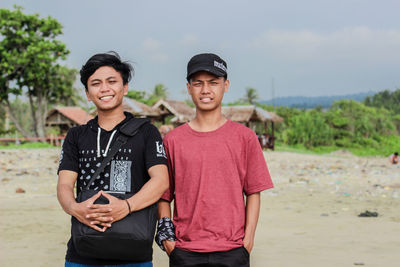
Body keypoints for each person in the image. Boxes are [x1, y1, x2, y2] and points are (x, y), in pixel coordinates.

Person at [156, 53, 274, 267]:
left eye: (213, 83)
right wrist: (169, 241)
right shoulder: (173, 140)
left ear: (225, 85)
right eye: (198, 83)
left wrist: (248, 241)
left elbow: (254, 192)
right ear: (189, 87)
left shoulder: (244, 137)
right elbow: (163, 196)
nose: (206, 90)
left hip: (233, 250)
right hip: (185, 251)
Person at [57, 52, 169, 267]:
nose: (105, 89)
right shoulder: (76, 135)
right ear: (88, 93)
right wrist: (73, 207)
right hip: (82, 251)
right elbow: (64, 183)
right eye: (96, 83)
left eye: (112, 81)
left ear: (124, 87)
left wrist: (126, 206)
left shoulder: (147, 132)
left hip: (134, 248)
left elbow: (161, 180)